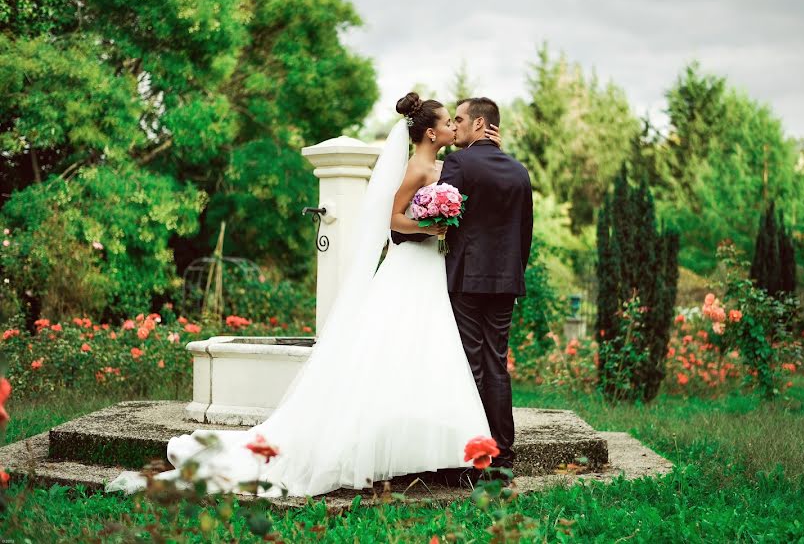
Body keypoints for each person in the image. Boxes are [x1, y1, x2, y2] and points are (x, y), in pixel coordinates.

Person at [106, 92, 503, 497]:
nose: (455, 128)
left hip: (431, 269)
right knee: (392, 347)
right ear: (432, 131)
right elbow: (394, 222)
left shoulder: (443, 165)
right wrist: (430, 227)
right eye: (449, 123)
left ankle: (428, 449)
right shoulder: (415, 169)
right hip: (411, 264)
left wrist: (449, 211)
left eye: (458, 122)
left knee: (427, 351)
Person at [394, 96, 533, 477]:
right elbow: (525, 234)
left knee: (470, 363)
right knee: (497, 364)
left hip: (467, 279)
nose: (454, 126)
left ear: (477, 125)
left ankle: (471, 456)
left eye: (459, 119)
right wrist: (512, 275)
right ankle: (503, 452)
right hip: (505, 281)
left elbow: (448, 213)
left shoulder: (458, 162)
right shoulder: (520, 171)